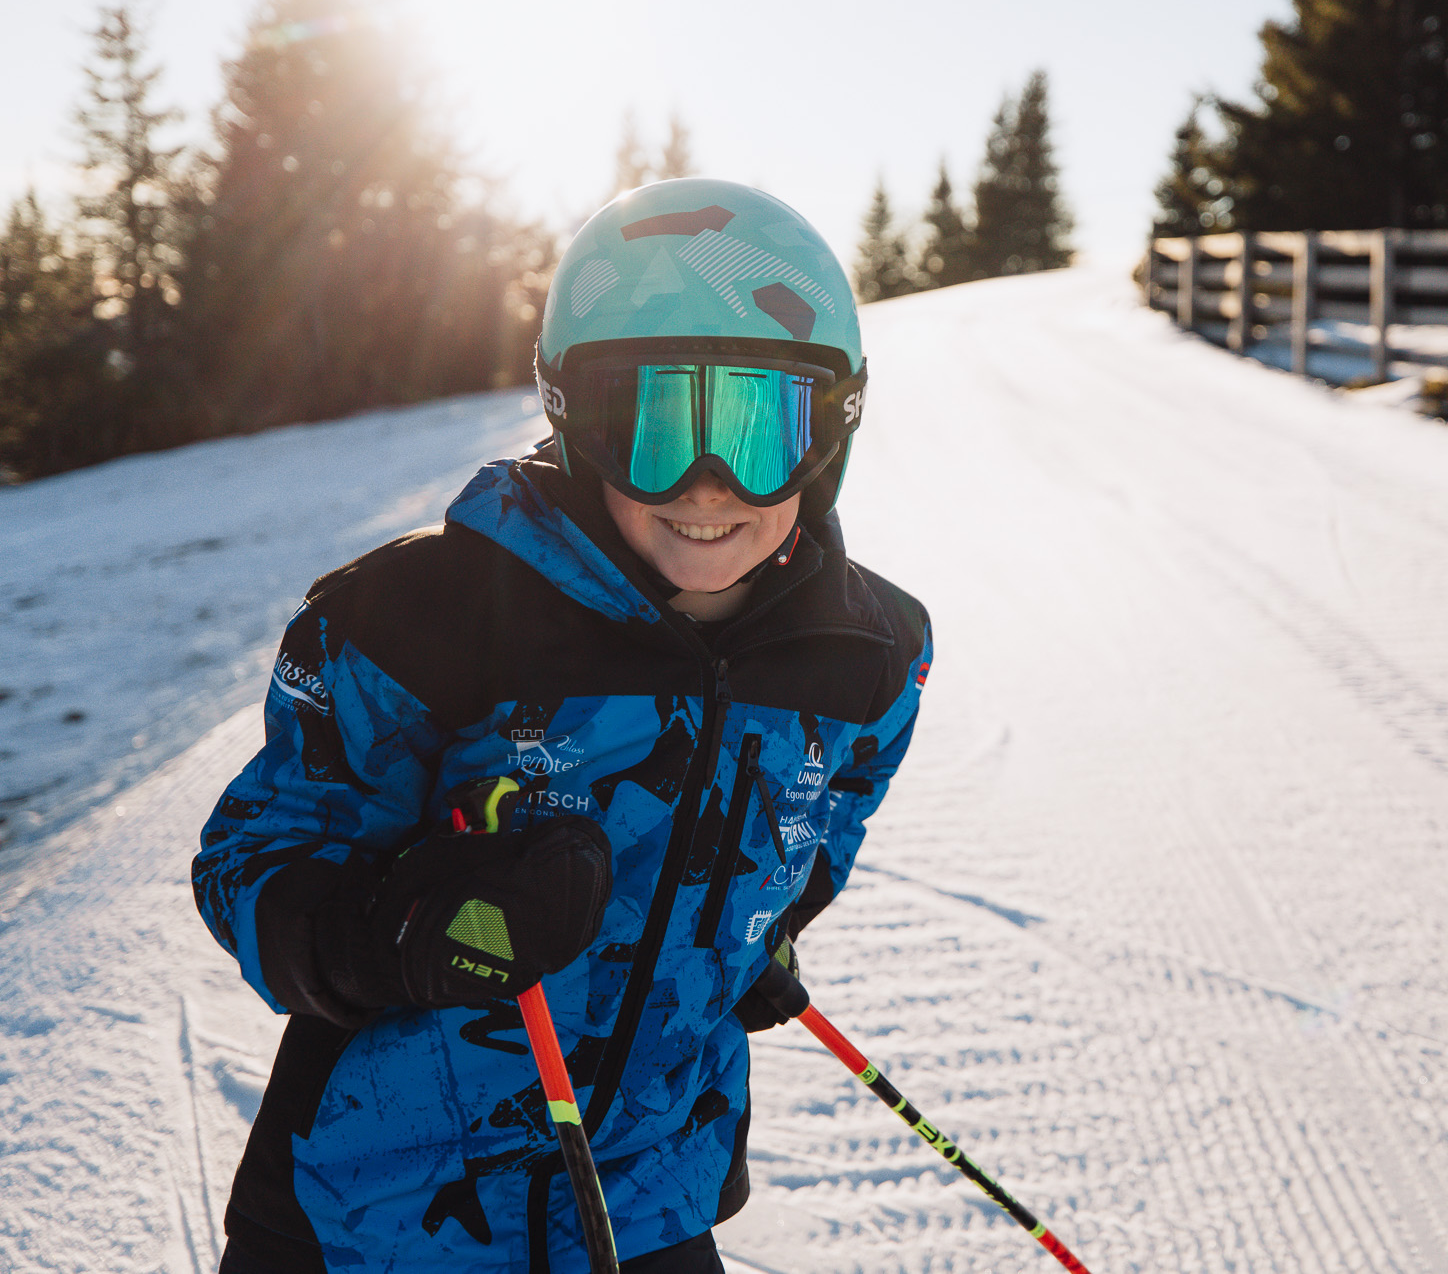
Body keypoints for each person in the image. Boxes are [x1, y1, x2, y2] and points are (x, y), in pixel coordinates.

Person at [191, 178, 932, 1273]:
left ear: (831, 429)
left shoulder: (866, 657)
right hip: (377, 1216)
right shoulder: (421, 620)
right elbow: (250, 863)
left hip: (648, 1201)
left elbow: (826, 823)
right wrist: (398, 930)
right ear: (573, 419)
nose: (707, 482)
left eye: (757, 425)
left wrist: (739, 934)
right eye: (652, 424)